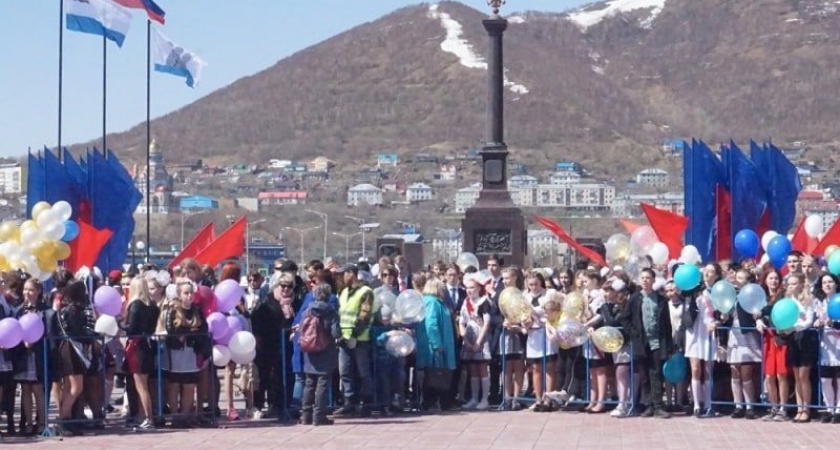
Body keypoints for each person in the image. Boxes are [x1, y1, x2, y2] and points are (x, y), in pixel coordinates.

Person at [251, 272, 296, 419]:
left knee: (280, 376)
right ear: (277, 286)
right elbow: (257, 319)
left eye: (289, 286)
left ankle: (277, 405)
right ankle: (257, 405)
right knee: (263, 376)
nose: (286, 290)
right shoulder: (267, 301)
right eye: (283, 286)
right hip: (266, 343)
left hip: (284, 345)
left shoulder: (294, 302)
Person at [164, 281, 209, 428]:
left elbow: (203, 330)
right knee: (174, 385)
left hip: (192, 352)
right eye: (185, 293)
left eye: (191, 293)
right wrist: (189, 332)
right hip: (176, 352)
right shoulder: (172, 310)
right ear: (179, 294)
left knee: (190, 385)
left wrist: (189, 334)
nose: (189, 296)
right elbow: (172, 332)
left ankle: (184, 416)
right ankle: (175, 416)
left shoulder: (197, 310)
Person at [333, 264, 375, 417]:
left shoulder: (366, 292)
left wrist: (353, 334)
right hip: (343, 339)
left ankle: (366, 403)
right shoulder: (342, 292)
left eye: (343, 274)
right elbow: (339, 314)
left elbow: (365, 315)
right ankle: (349, 401)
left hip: (360, 339)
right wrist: (338, 333)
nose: (340, 277)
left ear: (351, 274)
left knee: (363, 373)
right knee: (345, 371)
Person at [53, 281, 93, 436]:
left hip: (66, 347)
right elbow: (77, 332)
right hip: (73, 349)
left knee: (68, 386)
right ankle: (62, 419)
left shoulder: (64, 308)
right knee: (77, 387)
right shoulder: (75, 310)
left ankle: (67, 420)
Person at [300, 284, 340, 426]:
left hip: (310, 350)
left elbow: (301, 329)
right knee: (322, 384)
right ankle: (319, 416)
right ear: (328, 296)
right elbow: (335, 333)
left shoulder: (307, 310)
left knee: (309, 383)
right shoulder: (331, 312)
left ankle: (305, 416)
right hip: (325, 350)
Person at [682, 263, 720, 418]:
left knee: (708, 370)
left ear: (717, 275)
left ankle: (709, 404)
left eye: (712, 272)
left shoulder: (719, 291)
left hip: (709, 331)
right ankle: (697, 405)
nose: (708, 274)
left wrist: (718, 321)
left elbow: (724, 311)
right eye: (706, 271)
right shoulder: (695, 289)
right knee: (696, 368)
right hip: (694, 330)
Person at [723, 268, 761, 419]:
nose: (738, 281)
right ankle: (738, 405)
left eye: (742, 278)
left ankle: (750, 406)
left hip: (747, 333)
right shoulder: (731, 295)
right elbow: (725, 312)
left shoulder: (751, 295)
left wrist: (757, 318)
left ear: (748, 281)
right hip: (734, 333)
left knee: (746, 372)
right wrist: (723, 314)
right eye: (737, 277)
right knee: (735, 370)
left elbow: (756, 312)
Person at [13, 278, 47, 436]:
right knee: (25, 389)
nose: (27, 293)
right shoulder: (18, 310)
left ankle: (41, 422)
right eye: (25, 289)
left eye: (31, 290)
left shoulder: (44, 311)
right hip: (22, 355)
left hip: (38, 354)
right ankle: (28, 422)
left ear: (38, 292)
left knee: (38, 389)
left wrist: (35, 340)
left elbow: (46, 332)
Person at [123, 277, 159, 430]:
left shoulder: (135, 305)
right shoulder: (152, 305)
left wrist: (120, 323)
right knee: (144, 384)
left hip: (136, 346)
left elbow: (130, 328)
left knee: (141, 385)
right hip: (147, 345)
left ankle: (148, 418)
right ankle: (144, 417)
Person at [416, 279, 456, 411]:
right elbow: (431, 325)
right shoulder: (432, 303)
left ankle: (433, 402)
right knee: (434, 375)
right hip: (433, 347)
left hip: (431, 345)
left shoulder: (430, 302)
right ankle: (430, 403)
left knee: (432, 375)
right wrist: (437, 344)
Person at [756, 267, 790, 421]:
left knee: (781, 374)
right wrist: (757, 319)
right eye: (771, 278)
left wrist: (762, 313)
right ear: (765, 280)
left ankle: (783, 408)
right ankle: (773, 406)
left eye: (776, 278)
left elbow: (774, 310)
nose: (774, 281)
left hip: (780, 339)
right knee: (769, 375)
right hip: (767, 339)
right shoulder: (760, 297)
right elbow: (756, 313)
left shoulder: (782, 296)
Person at [784, 272, 817, 423]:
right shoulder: (787, 301)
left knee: (804, 376)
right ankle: (799, 408)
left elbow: (808, 320)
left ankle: (807, 408)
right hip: (792, 338)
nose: (791, 286)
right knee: (796, 376)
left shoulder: (809, 300)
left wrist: (795, 326)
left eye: (794, 283)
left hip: (805, 338)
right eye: (789, 283)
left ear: (801, 284)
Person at [459, 273, 493, 410]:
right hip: (469, 337)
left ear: (479, 288)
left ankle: (484, 399)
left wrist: (479, 342)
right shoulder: (466, 302)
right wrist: (465, 340)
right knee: (472, 369)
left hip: (481, 338)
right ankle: (474, 398)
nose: (469, 290)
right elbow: (461, 322)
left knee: (482, 368)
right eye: (467, 287)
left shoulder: (484, 301)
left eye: (472, 287)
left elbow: (487, 323)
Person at [524, 272, 557, 412]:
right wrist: (525, 321)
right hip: (533, 334)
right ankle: (538, 399)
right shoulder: (525, 297)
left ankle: (548, 399)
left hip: (547, 332)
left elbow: (555, 311)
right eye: (530, 285)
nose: (533, 287)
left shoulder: (548, 294)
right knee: (536, 368)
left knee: (549, 366)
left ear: (541, 282)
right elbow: (522, 314)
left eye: (536, 284)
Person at [814, 273, 840, 423]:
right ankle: (829, 408)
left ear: (836, 284)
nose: (827, 285)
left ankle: (838, 409)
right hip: (826, 345)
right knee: (825, 379)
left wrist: (832, 324)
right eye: (824, 282)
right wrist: (817, 322)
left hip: (838, 345)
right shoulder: (820, 302)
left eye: (830, 282)